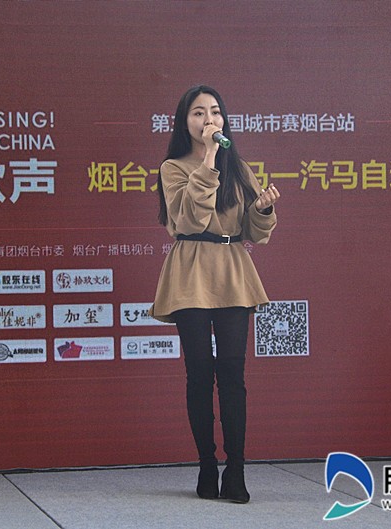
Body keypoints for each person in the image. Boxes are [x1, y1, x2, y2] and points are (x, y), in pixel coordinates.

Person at [151, 85, 280, 503]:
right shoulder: (173, 168)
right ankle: (207, 466)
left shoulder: (238, 167)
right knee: (199, 374)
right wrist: (208, 157)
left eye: (215, 112)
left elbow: (254, 233)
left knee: (232, 375)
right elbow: (190, 219)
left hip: (232, 273)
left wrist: (262, 210)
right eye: (198, 113)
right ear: (184, 122)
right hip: (189, 273)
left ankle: (236, 470)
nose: (209, 119)